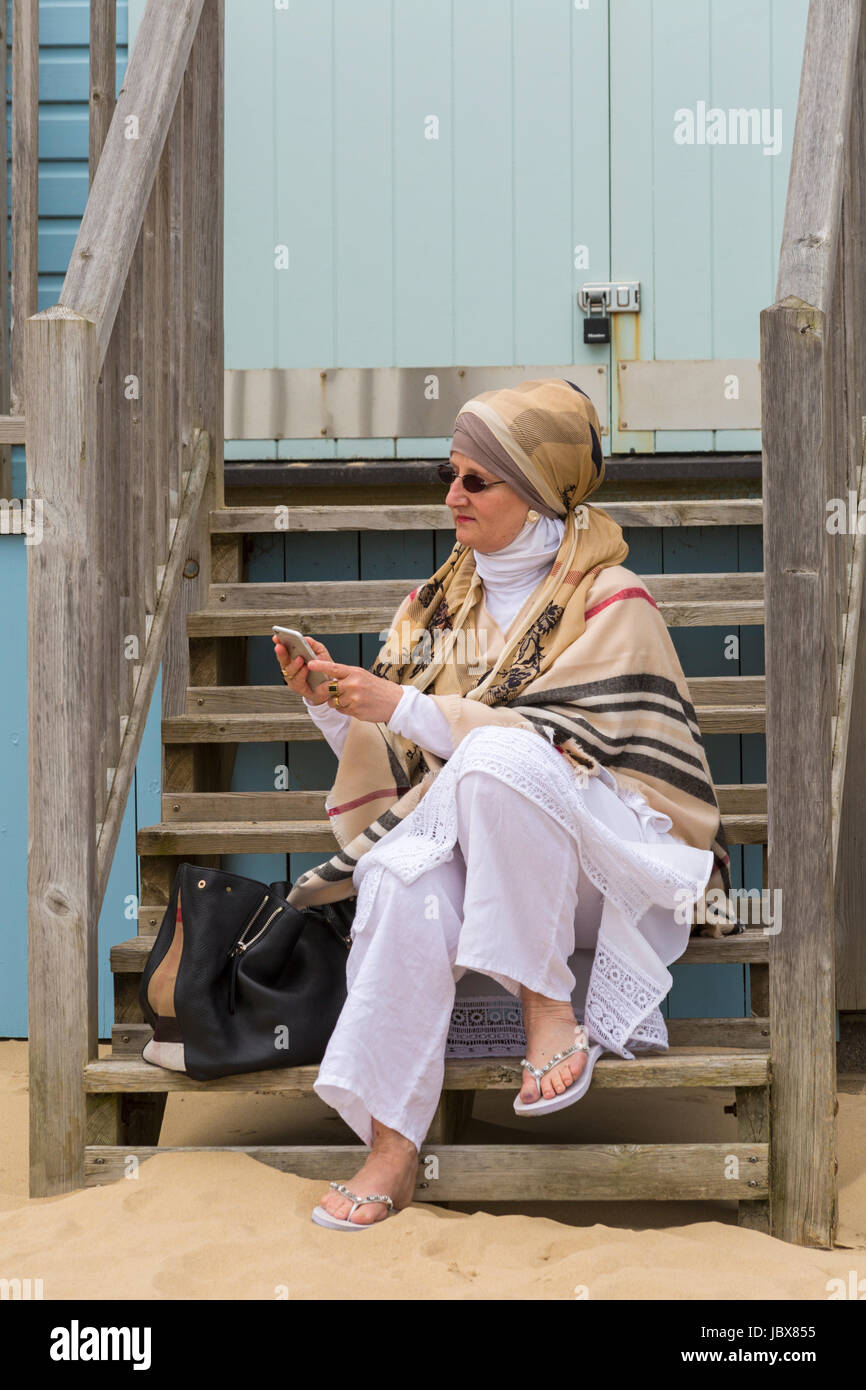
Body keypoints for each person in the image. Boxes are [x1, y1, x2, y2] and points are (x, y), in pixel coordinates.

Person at [272, 377, 732, 1231]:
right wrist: (333, 702)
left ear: (534, 488)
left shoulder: (611, 600)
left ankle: (548, 1010)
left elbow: (564, 752)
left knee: (496, 756)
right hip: (485, 856)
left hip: (606, 867)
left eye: (476, 481)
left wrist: (403, 704)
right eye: (449, 476)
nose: (453, 496)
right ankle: (391, 1148)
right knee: (399, 881)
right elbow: (411, 771)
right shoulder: (436, 607)